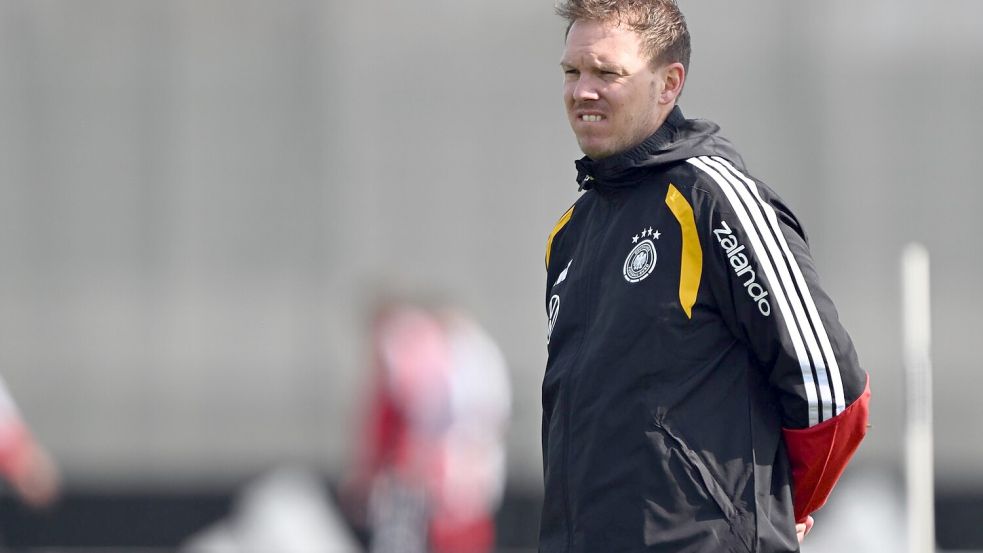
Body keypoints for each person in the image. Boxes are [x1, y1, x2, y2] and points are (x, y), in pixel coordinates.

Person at [541, 1, 870, 552]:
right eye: (572, 72)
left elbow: (830, 389)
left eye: (607, 73)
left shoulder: (713, 199)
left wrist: (781, 504)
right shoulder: (570, 232)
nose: (582, 92)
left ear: (669, 84)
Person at [342, 300, 511, 553]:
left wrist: (374, 468)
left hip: (438, 467)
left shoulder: (415, 346)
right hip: (441, 465)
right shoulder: (468, 356)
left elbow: (394, 417)